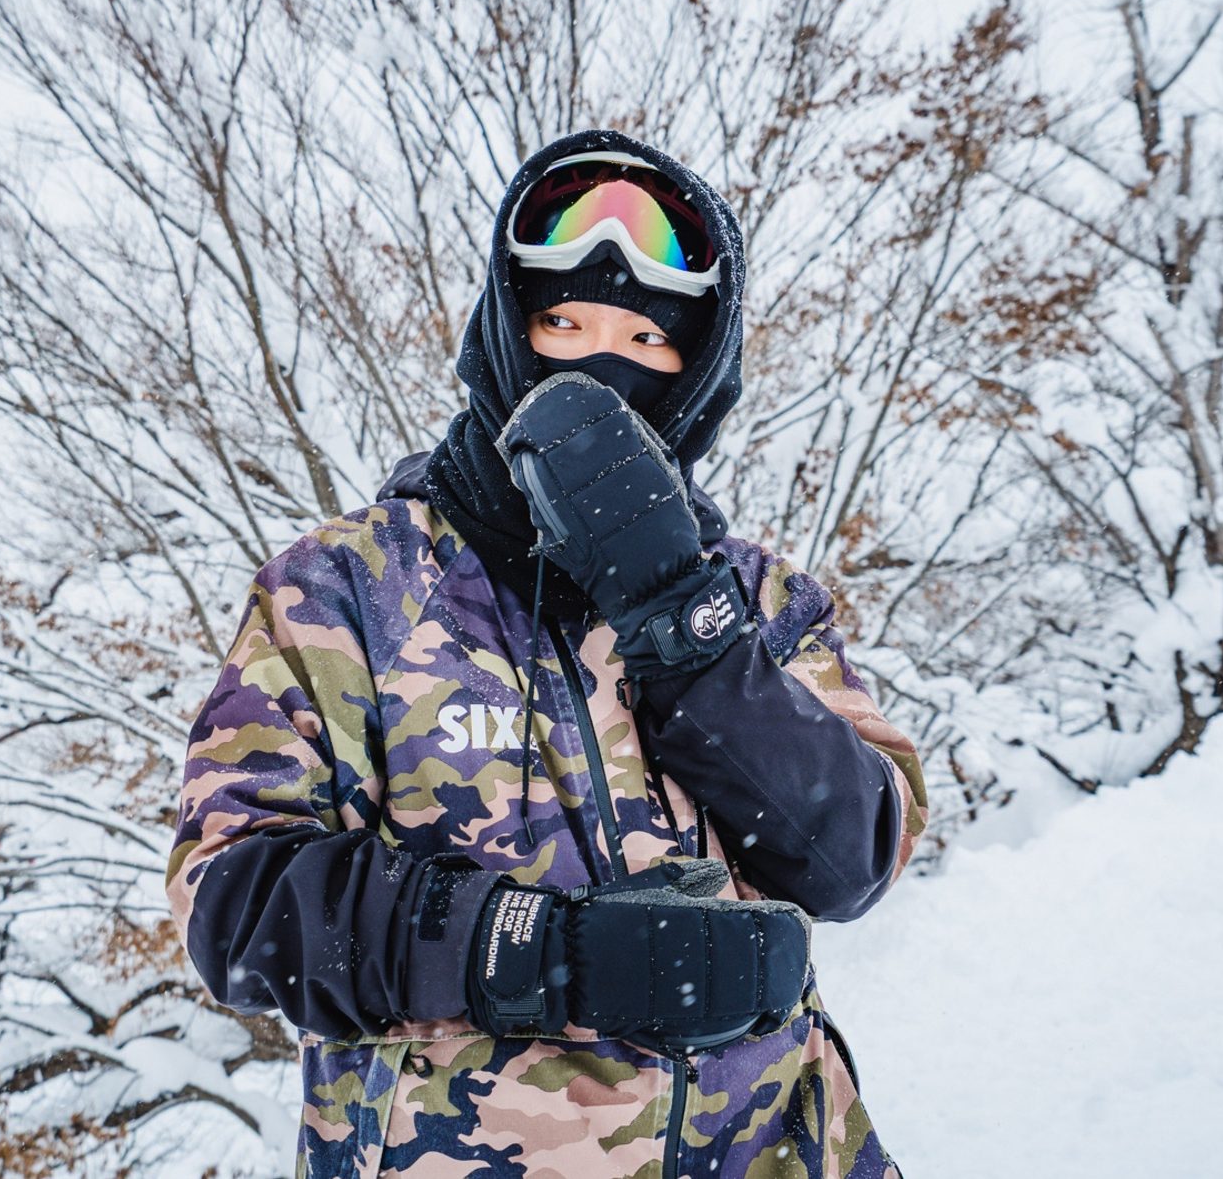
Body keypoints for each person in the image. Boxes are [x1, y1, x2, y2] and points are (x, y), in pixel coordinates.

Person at [166, 129, 928, 1178]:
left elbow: (853, 853)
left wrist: (682, 617)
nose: (598, 366)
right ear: (503, 335)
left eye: (646, 341)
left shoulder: (758, 596)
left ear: (697, 376)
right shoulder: (344, 589)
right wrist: (533, 950)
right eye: (561, 320)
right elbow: (234, 902)